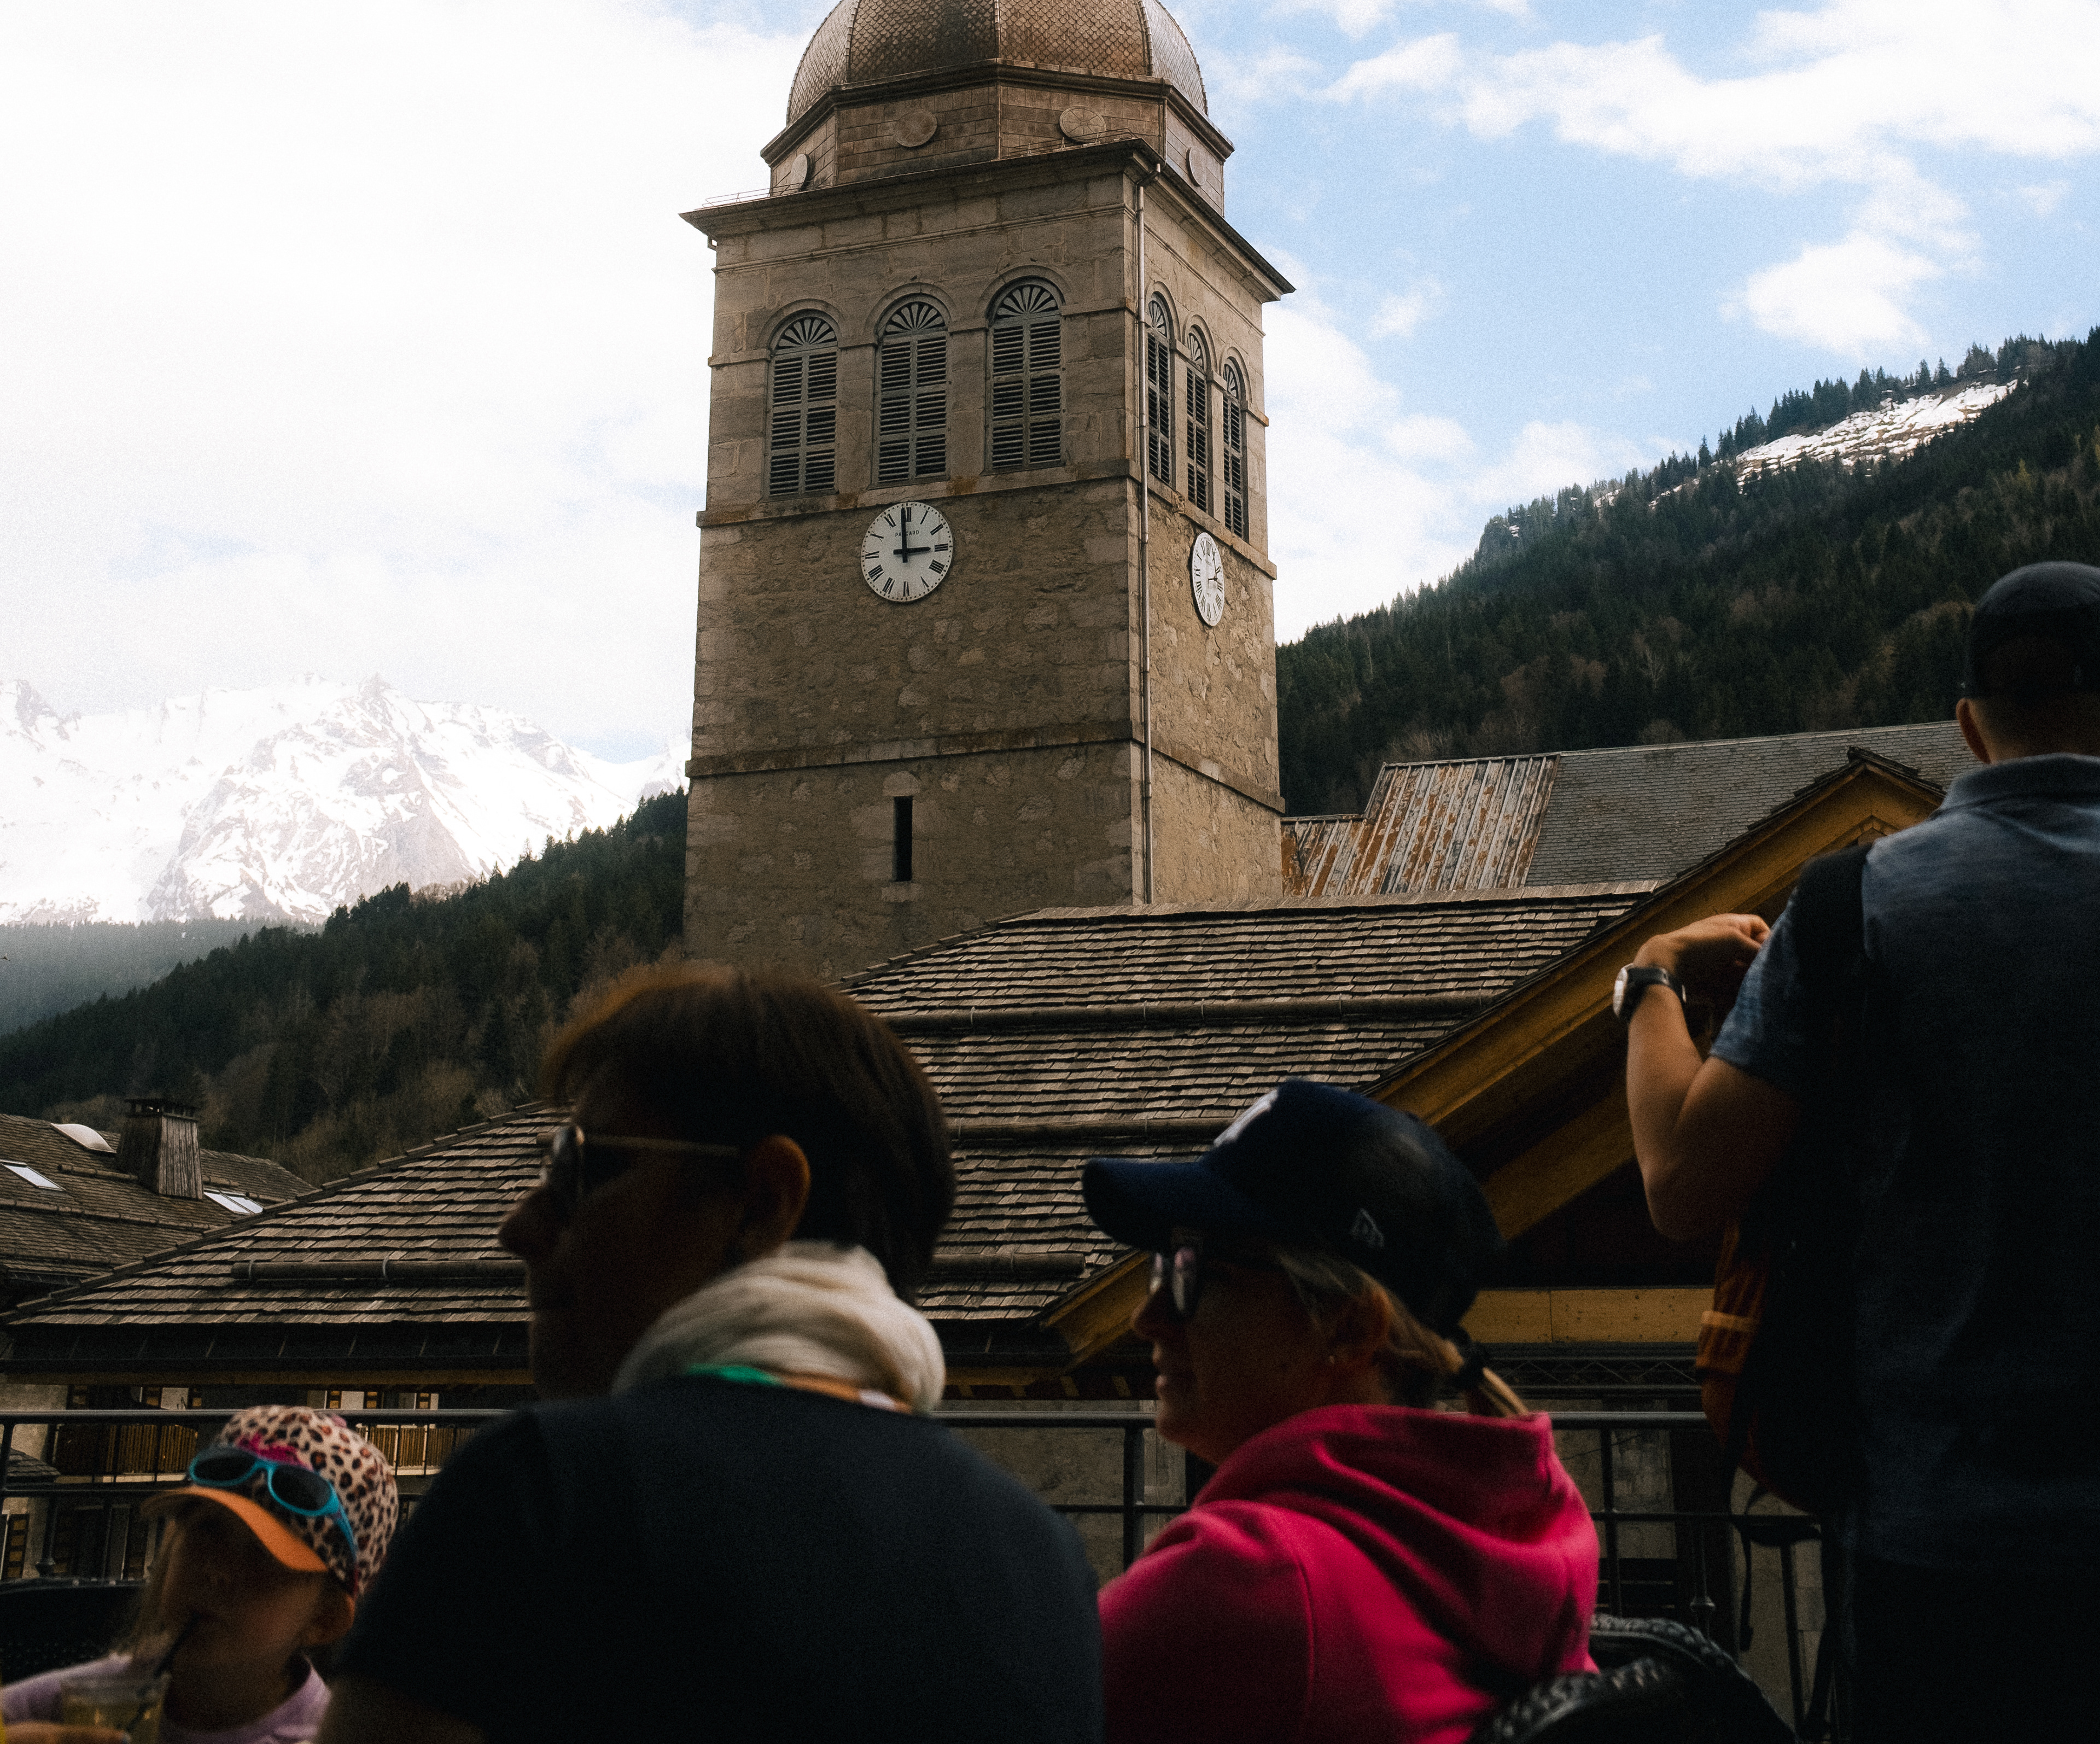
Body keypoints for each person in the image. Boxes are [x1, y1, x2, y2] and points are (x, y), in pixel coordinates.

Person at [319, 963, 1100, 1744]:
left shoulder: (540, 1494)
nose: (518, 1227)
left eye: (576, 1168)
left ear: (761, 1201)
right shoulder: (1046, 1564)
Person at [1622, 558, 2100, 1743]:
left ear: (1969, 723)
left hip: (1937, 1550)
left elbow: (1683, 1182)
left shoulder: (1856, 909)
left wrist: (1648, 983)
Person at [1082, 1078, 1597, 1744]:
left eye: (1193, 1269)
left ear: (1348, 1328)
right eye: (1161, 1267)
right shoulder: (1502, 1565)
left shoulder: (1251, 1580)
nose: (1145, 1318)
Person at [2, 1407, 397, 1744]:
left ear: (323, 1618)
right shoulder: (89, 1700)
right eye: (208, 1529)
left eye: (264, 1556)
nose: (217, 1570)